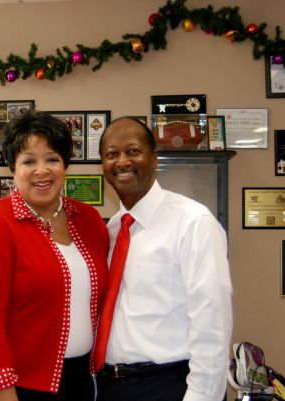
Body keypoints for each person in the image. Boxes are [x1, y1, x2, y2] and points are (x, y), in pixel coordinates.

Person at [0, 109, 109, 401]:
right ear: (13, 168)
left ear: (65, 165)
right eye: (29, 161)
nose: (42, 170)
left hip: (76, 380)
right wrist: (5, 395)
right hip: (9, 382)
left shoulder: (90, 220)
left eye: (52, 159)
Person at [95, 116, 233, 401]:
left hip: (169, 384)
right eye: (112, 154)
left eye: (133, 151)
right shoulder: (113, 229)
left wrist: (202, 396)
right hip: (111, 386)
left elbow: (212, 322)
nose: (122, 161)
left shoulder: (193, 222)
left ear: (154, 158)